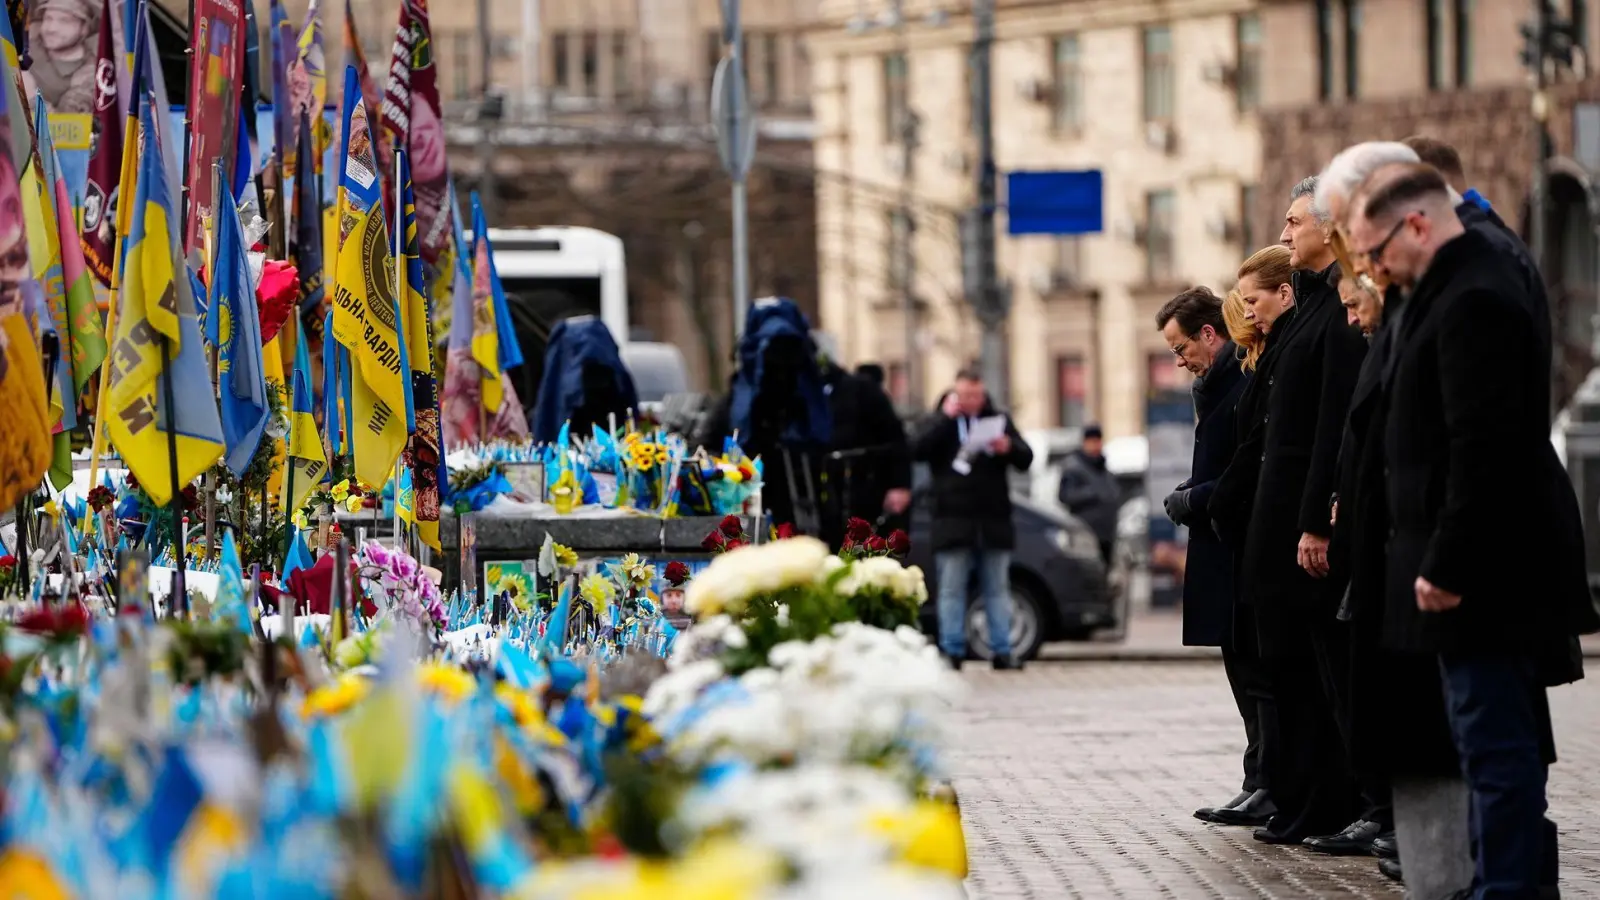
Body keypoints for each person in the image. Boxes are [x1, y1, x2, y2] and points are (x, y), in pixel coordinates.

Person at [1346, 161, 1598, 900]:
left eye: (1376, 253)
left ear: (1417, 223)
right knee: (1487, 747)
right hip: (1476, 571)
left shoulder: (1476, 291)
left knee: (1496, 753)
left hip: (1481, 579)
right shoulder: (1451, 282)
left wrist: (1446, 564)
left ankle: (1509, 890)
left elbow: (1483, 444)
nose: (1373, 271)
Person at [1155, 287, 1267, 827]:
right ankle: (1257, 779)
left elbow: (1246, 466)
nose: (1180, 362)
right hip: (1221, 540)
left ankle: (1267, 780)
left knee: (1256, 670)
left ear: (1208, 333)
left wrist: (1195, 498)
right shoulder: (1215, 385)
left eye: (1182, 349)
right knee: (1240, 668)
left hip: (1240, 542)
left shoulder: (1240, 381)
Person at [910, 367, 1033, 671]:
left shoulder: (998, 420)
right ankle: (952, 649)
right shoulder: (941, 422)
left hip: (992, 522)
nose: (971, 401)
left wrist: (1008, 447)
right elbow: (916, 449)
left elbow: (1026, 458)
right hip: (952, 522)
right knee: (951, 589)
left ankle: (1003, 650)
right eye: (965, 395)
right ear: (955, 394)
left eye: (976, 395)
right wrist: (944, 419)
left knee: (997, 588)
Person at [1057, 424, 1119, 564]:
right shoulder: (1073, 467)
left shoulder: (1102, 468)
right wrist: (1093, 493)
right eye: (1092, 441)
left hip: (1106, 535)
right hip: (1085, 535)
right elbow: (1066, 496)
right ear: (1085, 442)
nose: (1096, 445)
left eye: (1098, 441)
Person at [24, 0, 96, 114]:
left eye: (64, 21)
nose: (51, 28)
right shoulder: (26, 48)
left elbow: (68, 127)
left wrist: (32, 99)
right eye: (48, 18)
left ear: (84, 28)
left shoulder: (91, 75)